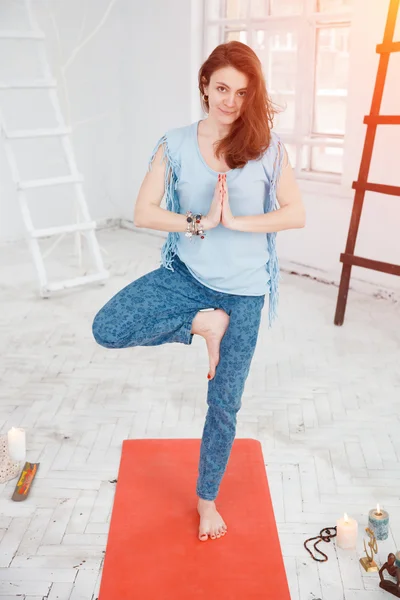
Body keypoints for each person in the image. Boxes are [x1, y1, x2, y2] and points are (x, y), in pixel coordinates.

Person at [92, 41, 305, 542]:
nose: (230, 101)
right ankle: (200, 324)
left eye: (242, 92)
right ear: (205, 85)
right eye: (222, 88)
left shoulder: (268, 146)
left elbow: (295, 213)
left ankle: (206, 500)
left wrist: (237, 221)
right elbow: (145, 210)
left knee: (224, 403)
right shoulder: (176, 142)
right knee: (109, 326)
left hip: (245, 294)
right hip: (186, 277)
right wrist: (201, 222)